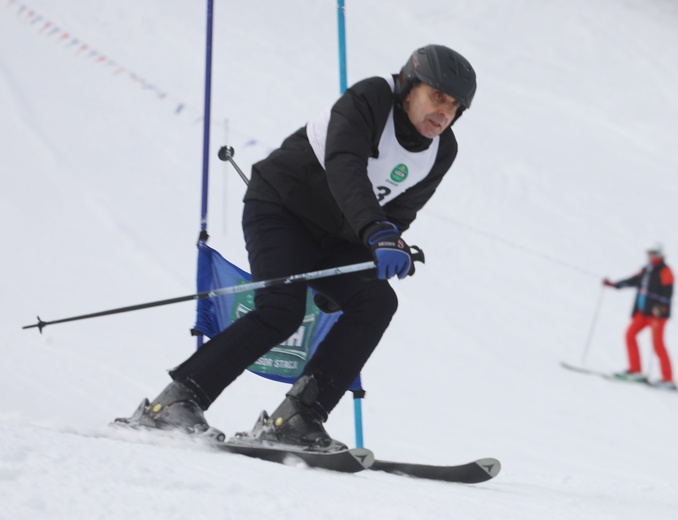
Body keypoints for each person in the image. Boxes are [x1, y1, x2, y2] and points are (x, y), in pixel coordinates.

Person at [117, 44, 477, 449]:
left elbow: (401, 210)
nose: (443, 112)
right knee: (281, 311)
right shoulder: (371, 98)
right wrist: (377, 233)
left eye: (454, 106)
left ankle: (296, 417)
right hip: (281, 208)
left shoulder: (441, 151)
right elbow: (344, 166)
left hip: (340, 238)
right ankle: (174, 403)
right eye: (437, 97)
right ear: (409, 88)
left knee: (377, 302)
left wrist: (383, 245)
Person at [603, 243, 675, 390]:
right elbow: (632, 281)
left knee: (658, 345)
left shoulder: (666, 271)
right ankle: (635, 371)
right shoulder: (646, 270)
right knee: (630, 335)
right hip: (642, 313)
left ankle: (668, 380)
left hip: (657, 315)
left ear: (661, 255)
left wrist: (659, 308)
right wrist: (614, 285)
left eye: (654, 253)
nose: (651, 256)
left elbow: (668, 294)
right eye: (649, 253)